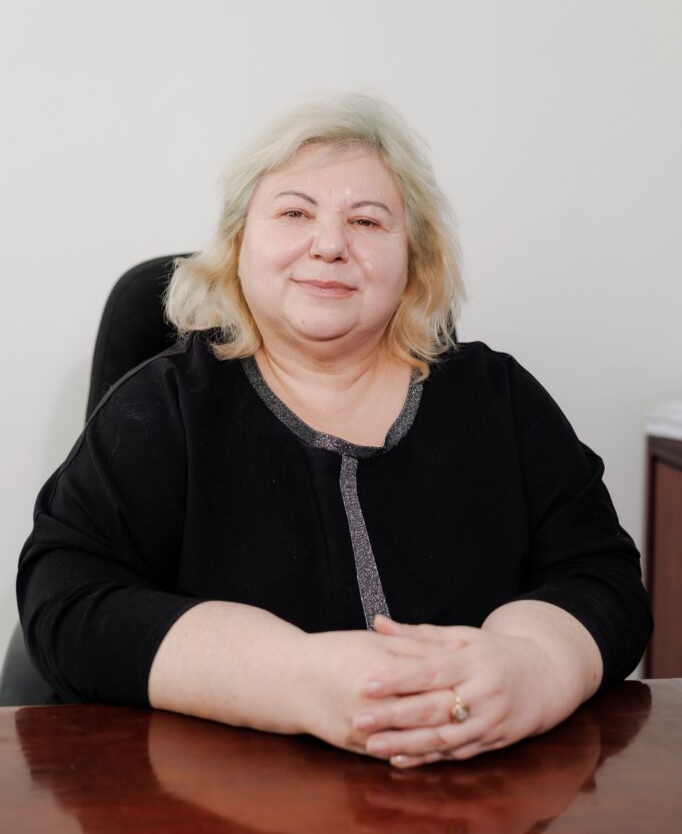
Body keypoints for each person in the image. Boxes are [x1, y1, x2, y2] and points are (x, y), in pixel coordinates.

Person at [17, 93, 652, 769]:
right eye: (294, 213)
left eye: (367, 220)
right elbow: (67, 598)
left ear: (414, 258)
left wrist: (535, 664)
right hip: (228, 795)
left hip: (483, 790)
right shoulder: (163, 405)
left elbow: (600, 575)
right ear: (237, 245)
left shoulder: (499, 396)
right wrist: (291, 677)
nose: (328, 245)